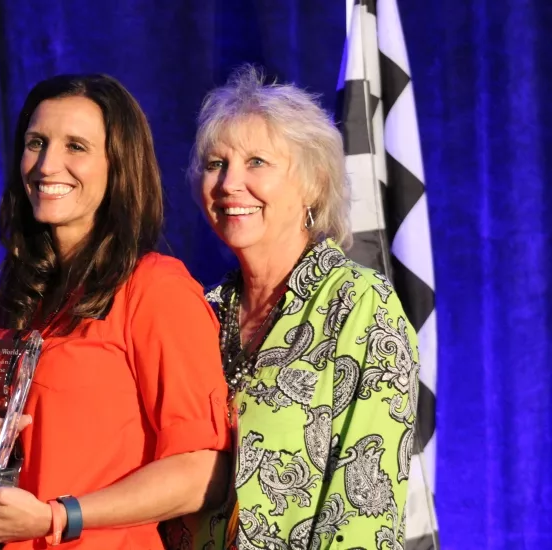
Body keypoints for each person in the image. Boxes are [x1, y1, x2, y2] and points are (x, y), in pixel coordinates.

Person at [0, 74, 233, 549]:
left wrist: (59, 517)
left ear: (119, 166)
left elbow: (203, 474)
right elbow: (26, 476)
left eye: (76, 146)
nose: (47, 164)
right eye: (36, 143)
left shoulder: (156, 288)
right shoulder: (10, 301)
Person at [179, 65, 420, 549]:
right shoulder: (198, 312)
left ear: (313, 183)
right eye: (216, 163)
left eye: (257, 162)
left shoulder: (359, 305)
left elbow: (365, 510)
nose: (229, 183)